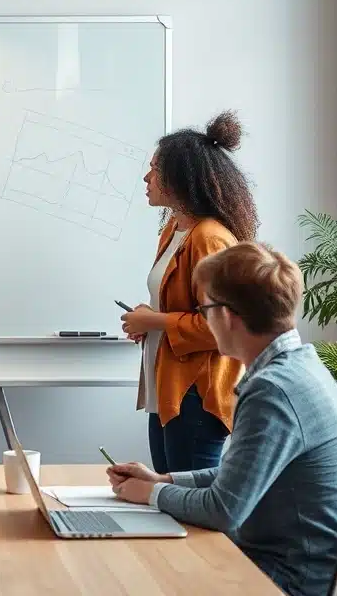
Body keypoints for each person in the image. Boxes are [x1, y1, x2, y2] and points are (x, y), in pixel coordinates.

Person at [107, 242, 337, 596]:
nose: (204, 319)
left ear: (226, 316)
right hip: (297, 563)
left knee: (141, 575)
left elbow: (224, 509)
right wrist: (164, 479)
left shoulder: (273, 390)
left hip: (289, 578)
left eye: (204, 308)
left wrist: (151, 493)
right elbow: (238, 475)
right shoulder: (300, 367)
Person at [119, 111, 258, 474]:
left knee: (190, 510)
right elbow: (179, 305)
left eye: (154, 169)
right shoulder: (174, 231)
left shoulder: (210, 238)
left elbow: (223, 325)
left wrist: (156, 321)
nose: (146, 178)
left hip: (197, 395)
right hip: (167, 390)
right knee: (168, 497)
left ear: (180, 179)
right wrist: (148, 322)